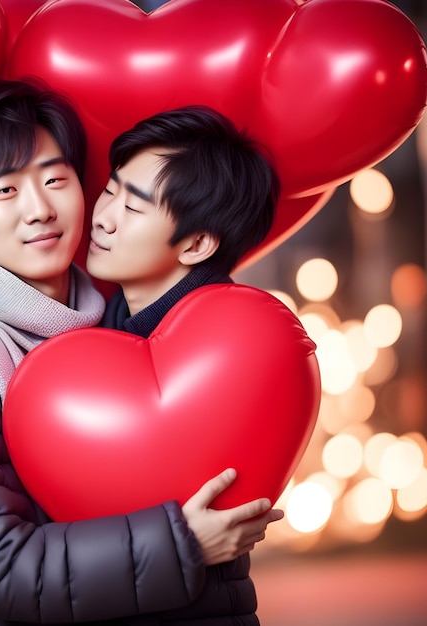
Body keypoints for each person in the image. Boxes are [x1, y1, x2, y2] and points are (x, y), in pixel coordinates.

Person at [0, 77, 279, 626]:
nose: (40, 209)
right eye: (6, 191)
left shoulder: (133, 332)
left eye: (55, 179)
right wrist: (182, 545)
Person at [86, 104, 283, 624]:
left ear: (196, 244)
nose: (102, 217)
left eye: (132, 209)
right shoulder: (87, 327)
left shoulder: (233, 348)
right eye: (109, 190)